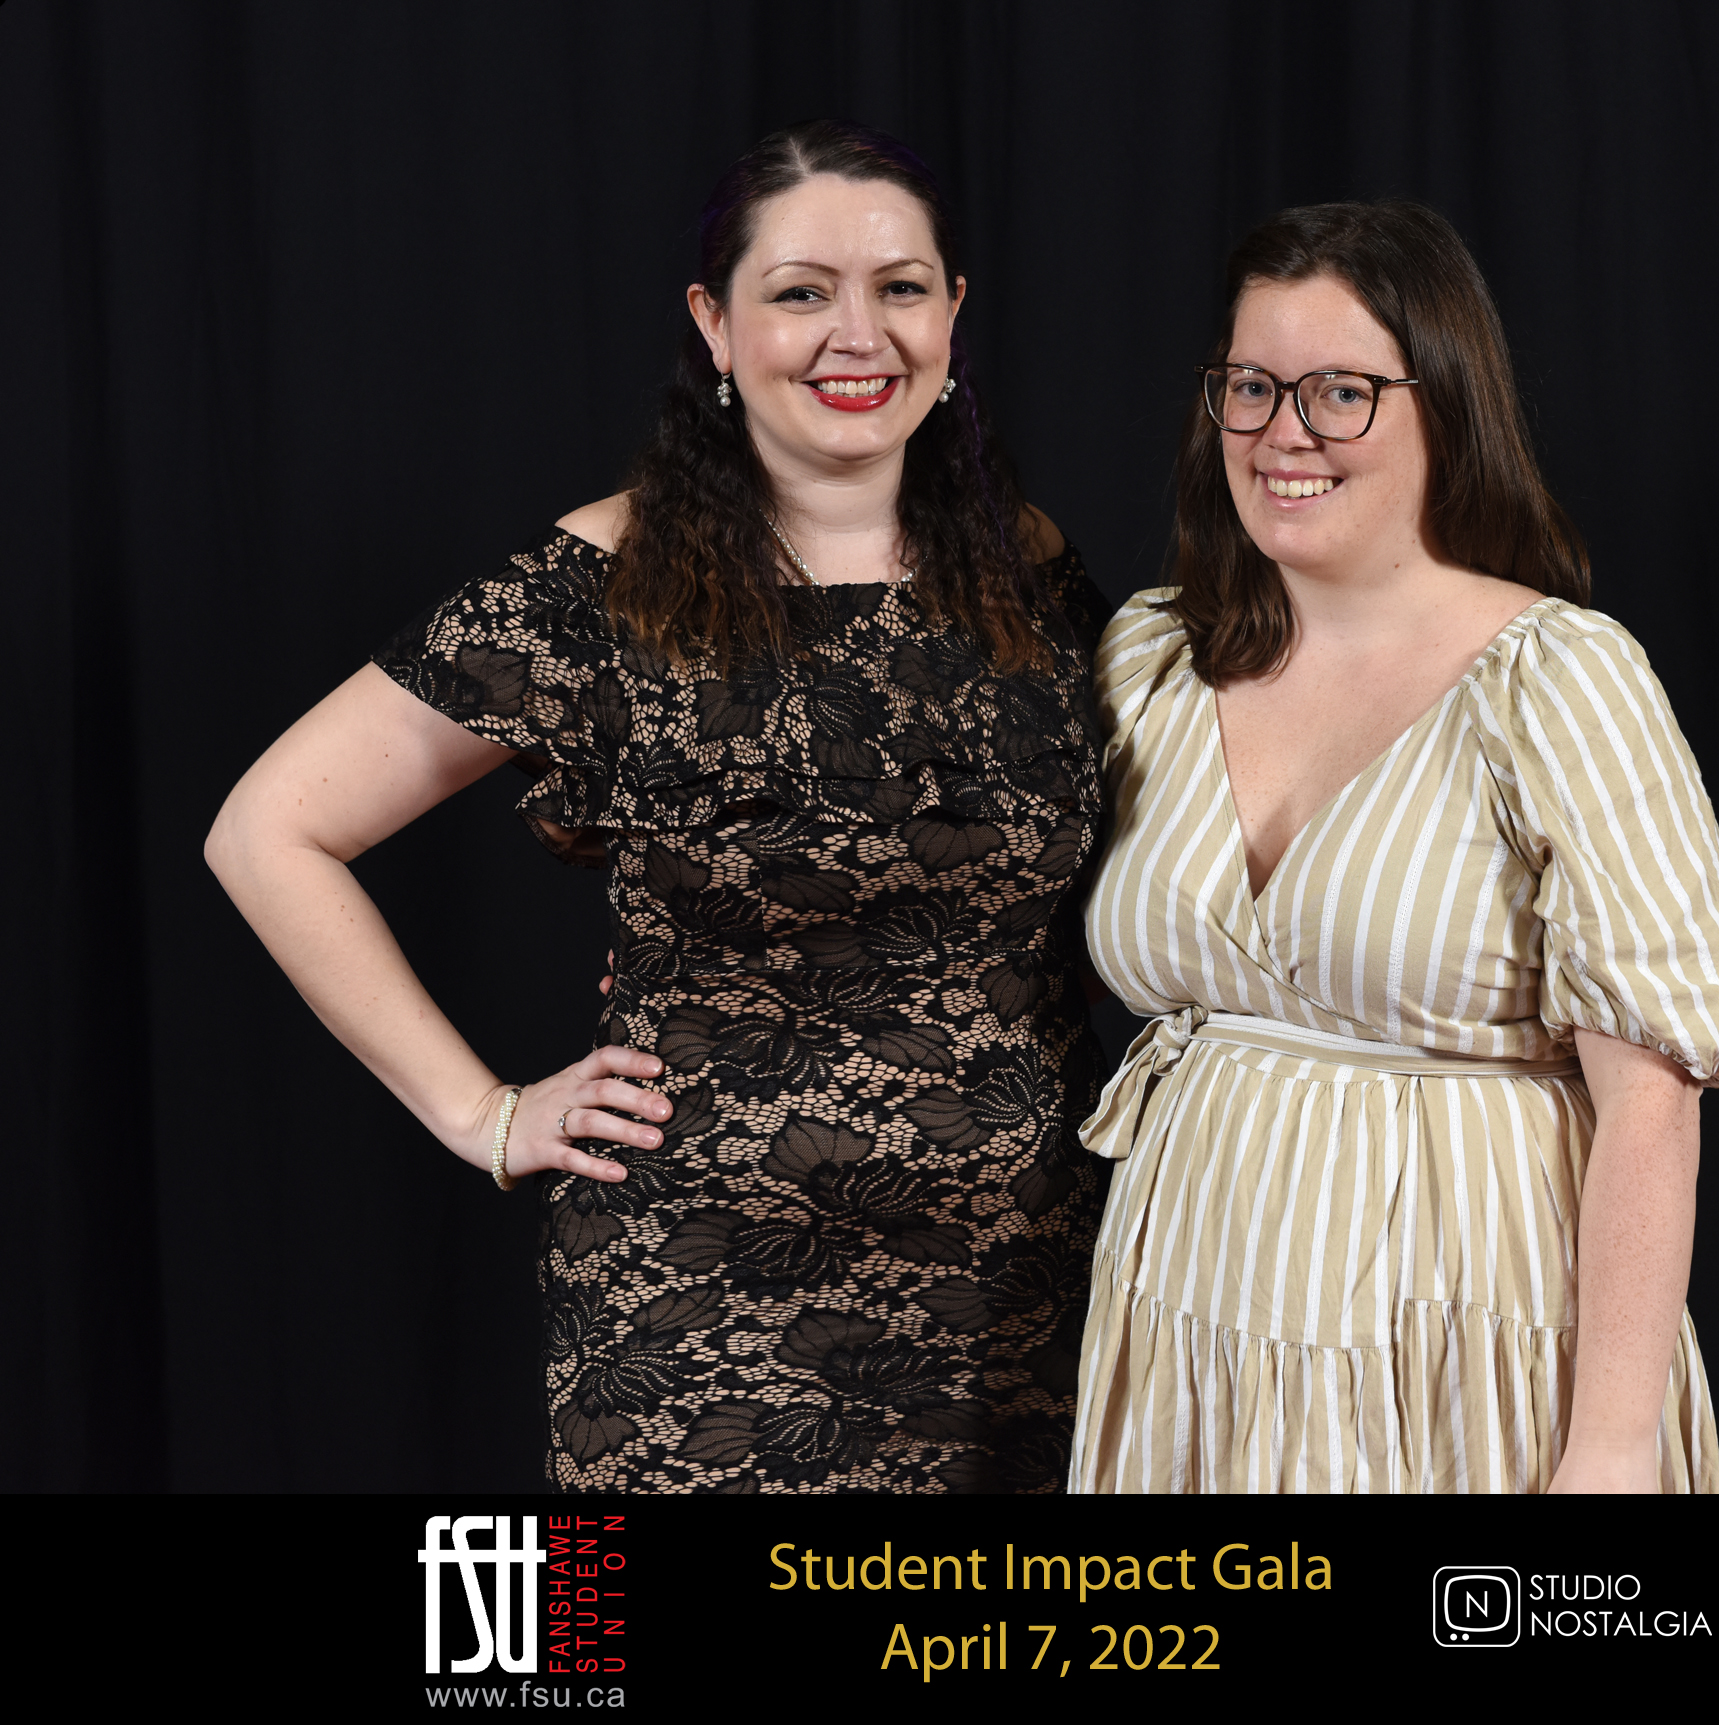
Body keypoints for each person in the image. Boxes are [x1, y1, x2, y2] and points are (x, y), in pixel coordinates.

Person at [206, 121, 1111, 1494]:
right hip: (701, 1303)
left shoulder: (1025, 564)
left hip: (1027, 1294)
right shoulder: (605, 582)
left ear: (953, 314)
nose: (859, 334)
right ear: (716, 324)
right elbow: (268, 830)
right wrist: (483, 1113)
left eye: (901, 288)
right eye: (801, 291)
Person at [1069, 201, 1719, 1494]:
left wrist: (1611, 1446)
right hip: (1190, 1322)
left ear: (1445, 402)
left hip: (1466, 1341)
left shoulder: (1557, 678)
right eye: (1251, 386)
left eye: (1341, 392)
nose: (1285, 432)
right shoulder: (1154, 655)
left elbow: (1651, 1103)